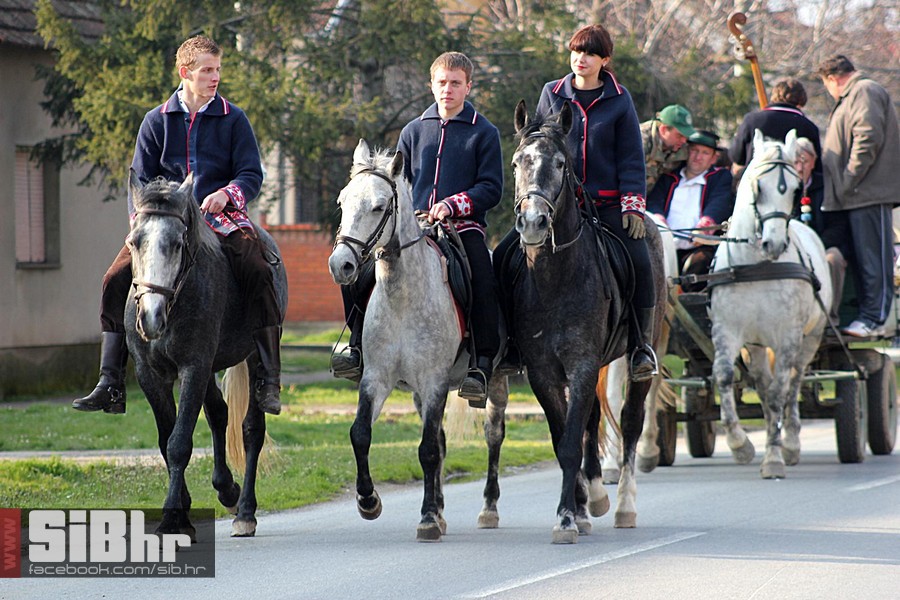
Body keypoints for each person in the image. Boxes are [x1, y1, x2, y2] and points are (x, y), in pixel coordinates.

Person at [72, 35, 283, 415]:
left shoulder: (234, 118)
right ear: (185, 73)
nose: (215, 77)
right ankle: (110, 381)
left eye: (218, 70)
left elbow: (251, 173)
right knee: (113, 279)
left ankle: (268, 377)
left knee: (258, 267)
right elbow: (139, 180)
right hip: (163, 224)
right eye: (207, 71)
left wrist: (228, 193)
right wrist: (142, 228)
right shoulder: (155, 121)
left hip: (221, 218)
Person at [331, 51, 504, 406]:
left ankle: (481, 365)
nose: (448, 89)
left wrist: (453, 205)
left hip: (463, 227)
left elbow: (492, 188)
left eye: (456, 83)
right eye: (442, 82)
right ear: (432, 85)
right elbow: (398, 182)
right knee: (360, 270)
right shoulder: (413, 130)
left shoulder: (484, 133)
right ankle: (357, 345)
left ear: (468, 87)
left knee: (484, 279)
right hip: (414, 226)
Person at [532, 23, 657, 381]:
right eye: (575, 51)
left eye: (589, 53)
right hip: (558, 206)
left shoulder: (620, 99)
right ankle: (512, 345)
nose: (580, 59)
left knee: (640, 261)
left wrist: (632, 206)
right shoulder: (551, 93)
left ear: (604, 60)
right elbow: (541, 146)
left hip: (606, 206)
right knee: (512, 256)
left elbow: (632, 157)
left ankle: (640, 347)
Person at [816, 55, 900, 337]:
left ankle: (874, 318)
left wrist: (849, 180)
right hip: (856, 195)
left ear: (832, 78)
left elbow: (867, 137)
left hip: (867, 193)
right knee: (865, 259)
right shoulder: (855, 94)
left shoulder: (864, 91)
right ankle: (868, 315)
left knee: (874, 257)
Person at [647, 130, 735, 292]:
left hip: (697, 247)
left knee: (699, 265)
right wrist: (659, 219)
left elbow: (720, 201)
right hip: (664, 246)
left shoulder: (720, 178)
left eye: (705, 153)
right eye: (694, 150)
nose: (698, 157)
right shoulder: (669, 177)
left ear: (714, 158)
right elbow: (654, 201)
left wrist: (706, 223)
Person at [793, 137, 851, 325]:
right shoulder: (785, 188)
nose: (800, 168)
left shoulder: (827, 187)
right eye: (795, 162)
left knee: (833, 259)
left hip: (824, 245)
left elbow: (839, 225)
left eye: (805, 162)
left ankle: (828, 318)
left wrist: (815, 245)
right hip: (793, 248)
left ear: (814, 162)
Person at [730, 78, 822, 175]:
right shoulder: (809, 127)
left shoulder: (752, 120)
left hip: (758, 182)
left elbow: (737, 156)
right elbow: (816, 166)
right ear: (801, 101)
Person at [641, 104, 697, 192]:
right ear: (663, 130)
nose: (684, 141)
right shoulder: (638, 142)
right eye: (679, 135)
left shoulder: (682, 146)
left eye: (686, 136)